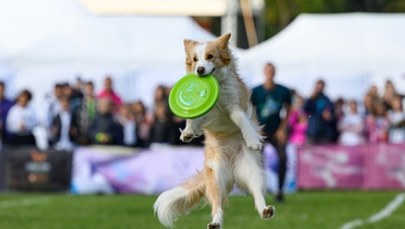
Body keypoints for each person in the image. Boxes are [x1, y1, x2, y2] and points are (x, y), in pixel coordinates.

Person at [251, 62, 292, 202]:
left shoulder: (283, 91)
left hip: (276, 131)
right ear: (264, 72)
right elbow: (250, 111)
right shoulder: (255, 91)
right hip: (261, 131)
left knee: (283, 158)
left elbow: (289, 109)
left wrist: (282, 128)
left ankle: (280, 191)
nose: (269, 73)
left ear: (274, 73)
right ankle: (260, 190)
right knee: (258, 161)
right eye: (267, 71)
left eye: (272, 71)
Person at [304, 79, 338, 144]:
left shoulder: (327, 99)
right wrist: (311, 97)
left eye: (321, 86)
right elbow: (305, 109)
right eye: (318, 86)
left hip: (325, 131)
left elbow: (332, 114)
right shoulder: (311, 99)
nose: (319, 88)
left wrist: (329, 116)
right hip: (313, 130)